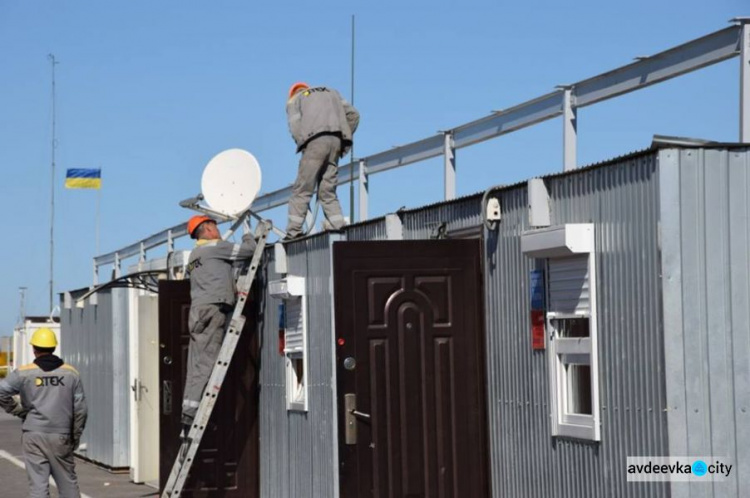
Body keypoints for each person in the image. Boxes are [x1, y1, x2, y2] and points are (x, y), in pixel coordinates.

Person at [181, 215, 257, 432]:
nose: (219, 230)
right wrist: (248, 233)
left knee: (196, 364)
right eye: (215, 226)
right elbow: (248, 251)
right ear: (207, 229)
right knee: (207, 362)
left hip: (198, 313)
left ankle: (187, 411)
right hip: (213, 309)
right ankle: (193, 414)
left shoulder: (195, 256)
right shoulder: (215, 247)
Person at [0, 327, 87, 498]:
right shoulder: (71, 373)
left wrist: (19, 411)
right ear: (54, 347)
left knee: (38, 486)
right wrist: (75, 435)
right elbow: (81, 409)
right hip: (61, 435)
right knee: (68, 483)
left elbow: (1, 392)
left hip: (33, 434)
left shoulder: (24, 373)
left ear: (34, 348)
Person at [284, 82, 360, 240]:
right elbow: (354, 115)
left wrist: (306, 146)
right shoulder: (332, 92)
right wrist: (344, 136)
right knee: (328, 192)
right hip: (336, 142)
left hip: (315, 142)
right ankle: (340, 228)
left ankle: (293, 232)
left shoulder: (295, 100)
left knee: (302, 190)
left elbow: (295, 127)